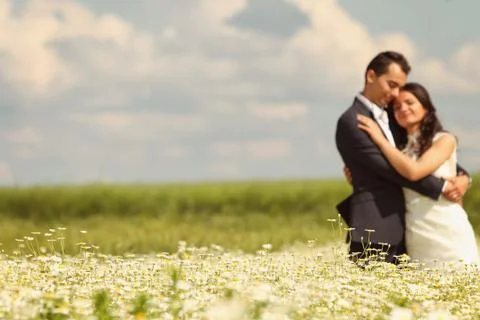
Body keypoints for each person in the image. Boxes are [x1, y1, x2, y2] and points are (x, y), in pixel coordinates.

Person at [334, 51, 471, 264]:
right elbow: (392, 171)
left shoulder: (394, 117)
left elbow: (424, 159)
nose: (396, 94)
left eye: (400, 87)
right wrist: (442, 187)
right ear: (371, 76)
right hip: (376, 228)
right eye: (392, 84)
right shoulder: (353, 121)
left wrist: (463, 177)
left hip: (410, 229)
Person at [357, 82, 479, 266]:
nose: (403, 109)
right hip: (418, 233)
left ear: (425, 106)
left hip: (447, 227)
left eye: (409, 103)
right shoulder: (400, 151)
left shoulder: (444, 140)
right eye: (397, 107)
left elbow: (414, 172)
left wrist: (380, 140)